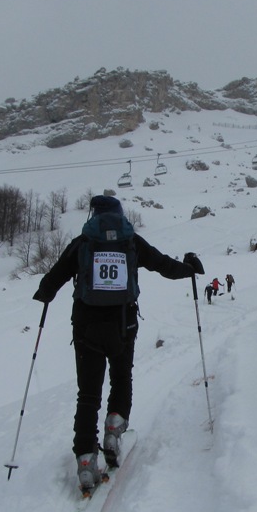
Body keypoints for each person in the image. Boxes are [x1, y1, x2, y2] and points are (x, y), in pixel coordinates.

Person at [32, 195, 204, 494]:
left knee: (88, 393)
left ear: (93, 214)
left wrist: (44, 293)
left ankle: (86, 457)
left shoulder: (82, 242)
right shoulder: (131, 241)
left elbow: (54, 278)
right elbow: (163, 265)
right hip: (123, 325)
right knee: (121, 377)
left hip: (86, 326)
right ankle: (114, 426)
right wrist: (190, 268)